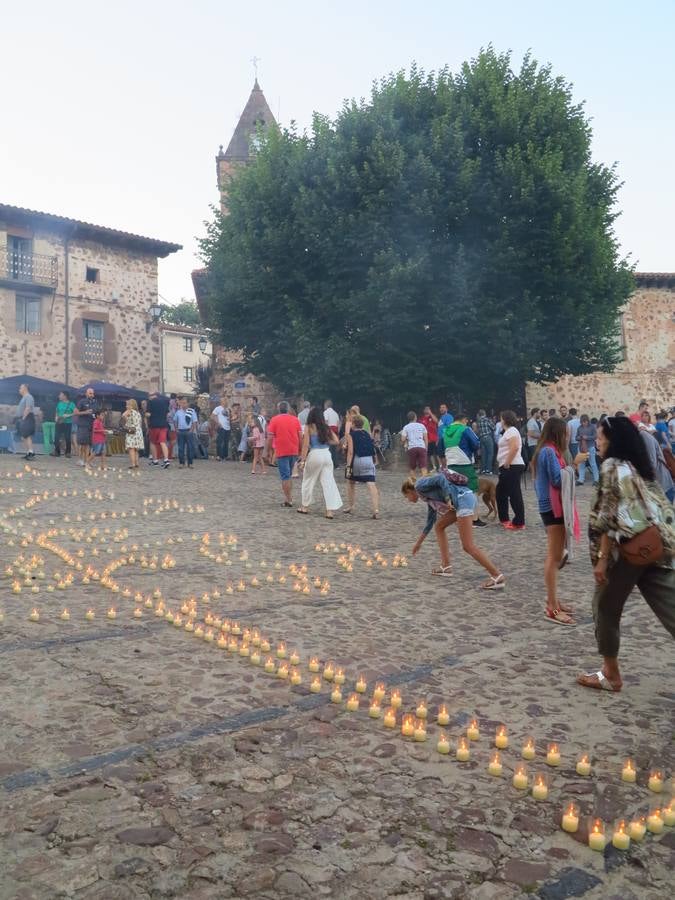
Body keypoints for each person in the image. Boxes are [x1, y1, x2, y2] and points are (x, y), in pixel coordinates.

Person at [577, 416, 675, 693]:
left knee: (605, 607)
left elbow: (609, 515)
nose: (597, 442)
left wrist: (602, 560)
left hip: (627, 552)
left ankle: (611, 673)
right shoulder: (638, 466)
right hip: (657, 546)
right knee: (671, 606)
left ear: (612, 439)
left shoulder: (611, 466)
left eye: (600, 437)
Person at [402, 472, 505, 589]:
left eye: (406, 496)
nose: (408, 500)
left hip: (463, 500)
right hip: (461, 499)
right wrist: (418, 543)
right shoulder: (425, 496)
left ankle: (497, 575)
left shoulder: (419, 485)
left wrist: (447, 498)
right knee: (439, 526)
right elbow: (430, 522)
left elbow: (441, 478)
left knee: (468, 546)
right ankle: (445, 567)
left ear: (409, 491)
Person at [532, 418, 581, 625]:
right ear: (558, 433)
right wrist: (574, 465)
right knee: (554, 557)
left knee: (556, 556)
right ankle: (551, 607)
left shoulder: (547, 450)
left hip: (552, 506)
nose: (568, 436)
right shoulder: (549, 452)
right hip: (553, 508)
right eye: (566, 433)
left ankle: (555, 600)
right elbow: (557, 479)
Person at [297, 407, 342, 517]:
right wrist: (326, 440)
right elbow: (336, 441)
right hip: (326, 454)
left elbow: (306, 445)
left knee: (308, 480)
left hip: (315, 454)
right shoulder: (325, 428)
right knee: (328, 482)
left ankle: (305, 506)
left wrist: (302, 460)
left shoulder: (309, 427)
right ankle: (329, 511)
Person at [266, 401, 302, 507]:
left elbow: (270, 437)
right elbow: (300, 436)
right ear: (288, 409)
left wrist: (267, 451)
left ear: (278, 409)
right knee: (289, 475)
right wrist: (300, 450)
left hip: (282, 450)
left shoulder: (274, 420)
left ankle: (288, 499)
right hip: (293, 449)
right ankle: (288, 497)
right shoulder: (295, 420)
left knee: (285, 476)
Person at [344, 414, 379, 518]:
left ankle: (351, 506)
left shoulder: (351, 435)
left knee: (351, 482)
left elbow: (350, 452)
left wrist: (348, 466)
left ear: (353, 424)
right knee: (371, 484)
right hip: (369, 460)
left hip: (358, 460)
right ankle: (376, 509)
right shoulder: (367, 434)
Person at [496, 410, 526, 530]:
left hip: (512, 465)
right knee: (500, 493)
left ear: (505, 419)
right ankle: (504, 518)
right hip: (507, 465)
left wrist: (507, 462)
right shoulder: (507, 432)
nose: (500, 420)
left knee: (514, 493)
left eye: (501, 418)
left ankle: (519, 521)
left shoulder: (512, 431)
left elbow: (514, 447)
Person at [146, 391, 170, 468]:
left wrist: (146, 415)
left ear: (153, 395)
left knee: (152, 442)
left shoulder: (150, 402)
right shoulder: (165, 402)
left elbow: (148, 414)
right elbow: (167, 414)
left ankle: (155, 461)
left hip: (154, 425)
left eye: (149, 395)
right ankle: (166, 460)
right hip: (164, 425)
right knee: (163, 442)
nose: (149, 397)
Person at [400, 411, 428, 476]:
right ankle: (426, 483)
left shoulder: (406, 427)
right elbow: (426, 439)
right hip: (421, 447)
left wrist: (406, 439)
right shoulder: (422, 425)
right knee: (423, 467)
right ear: (415, 417)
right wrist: (426, 448)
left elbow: (403, 439)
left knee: (412, 468)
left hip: (412, 448)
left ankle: (413, 483)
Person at [76, 387, 98, 467]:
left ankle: (87, 461)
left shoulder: (95, 402)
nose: (92, 395)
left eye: (92, 393)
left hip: (91, 425)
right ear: (86, 393)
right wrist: (85, 412)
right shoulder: (82, 401)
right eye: (90, 393)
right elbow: (76, 412)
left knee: (89, 444)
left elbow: (96, 413)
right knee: (83, 443)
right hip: (83, 425)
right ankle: (80, 460)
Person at [575, 415, 599, 485]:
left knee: (593, 464)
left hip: (590, 447)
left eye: (585, 422)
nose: (583, 423)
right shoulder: (579, 428)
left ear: (588, 421)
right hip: (581, 448)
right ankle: (581, 480)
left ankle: (596, 480)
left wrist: (587, 437)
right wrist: (580, 437)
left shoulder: (592, 427)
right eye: (582, 422)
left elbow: (595, 436)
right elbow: (576, 437)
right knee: (581, 464)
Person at [121, 398, 144, 469]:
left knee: (131, 448)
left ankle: (133, 464)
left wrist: (125, 414)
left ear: (131, 405)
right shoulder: (138, 413)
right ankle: (137, 463)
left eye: (127, 405)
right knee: (136, 449)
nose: (126, 406)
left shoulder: (129, 411)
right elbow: (140, 423)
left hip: (131, 431)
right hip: (138, 431)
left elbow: (123, 416)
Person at [173, 397, 195, 468]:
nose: (183, 404)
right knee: (181, 448)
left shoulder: (191, 411)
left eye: (184, 403)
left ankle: (190, 463)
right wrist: (176, 429)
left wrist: (191, 430)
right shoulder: (178, 412)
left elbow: (194, 422)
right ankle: (181, 463)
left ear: (188, 403)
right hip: (181, 431)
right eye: (182, 403)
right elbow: (175, 421)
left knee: (190, 448)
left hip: (189, 431)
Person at [52, 390, 75, 458]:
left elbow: (76, 412)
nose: (59, 396)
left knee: (67, 438)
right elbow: (57, 411)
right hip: (59, 422)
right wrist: (56, 417)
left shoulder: (71, 404)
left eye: (60, 395)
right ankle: (57, 451)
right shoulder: (59, 403)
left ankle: (68, 452)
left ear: (65, 396)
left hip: (67, 423)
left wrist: (68, 415)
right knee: (56, 437)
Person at [17, 383, 36, 460]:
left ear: (25, 388)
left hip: (27, 417)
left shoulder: (28, 396)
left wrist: (23, 418)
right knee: (23, 437)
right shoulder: (24, 397)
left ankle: (31, 452)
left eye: (20, 388)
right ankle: (28, 452)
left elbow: (28, 408)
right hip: (25, 418)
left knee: (27, 436)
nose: (19, 390)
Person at [420, 406, 440, 471]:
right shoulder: (421, 419)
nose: (427, 410)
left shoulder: (432, 417)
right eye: (426, 409)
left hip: (434, 439)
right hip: (426, 440)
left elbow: (437, 421)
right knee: (427, 455)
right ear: (423, 411)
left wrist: (431, 413)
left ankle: (438, 468)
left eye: (428, 409)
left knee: (436, 454)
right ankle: (430, 468)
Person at [211, 397, 231, 461]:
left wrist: (229, 419)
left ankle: (225, 456)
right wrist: (218, 423)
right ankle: (219, 456)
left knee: (226, 442)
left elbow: (228, 417)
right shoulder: (218, 408)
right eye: (225, 400)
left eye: (226, 400)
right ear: (222, 401)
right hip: (221, 427)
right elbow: (212, 416)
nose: (226, 401)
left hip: (228, 427)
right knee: (220, 442)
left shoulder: (228, 409)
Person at [476, 409, 495, 475]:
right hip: (488, 437)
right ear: (485, 413)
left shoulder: (478, 421)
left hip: (481, 438)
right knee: (490, 453)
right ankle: (488, 470)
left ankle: (483, 469)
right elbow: (493, 427)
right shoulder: (486, 419)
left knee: (484, 454)